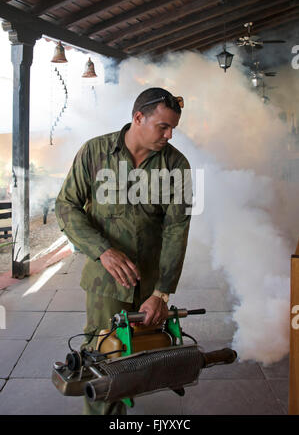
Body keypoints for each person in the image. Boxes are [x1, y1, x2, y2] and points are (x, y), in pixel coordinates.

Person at [55, 87, 192, 415]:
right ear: (138, 118)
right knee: (102, 359)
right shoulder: (95, 152)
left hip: (149, 284)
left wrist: (162, 293)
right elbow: (66, 206)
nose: (169, 134)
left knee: (139, 358)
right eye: (163, 126)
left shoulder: (177, 164)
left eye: (174, 128)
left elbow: (177, 229)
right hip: (106, 283)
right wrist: (102, 250)